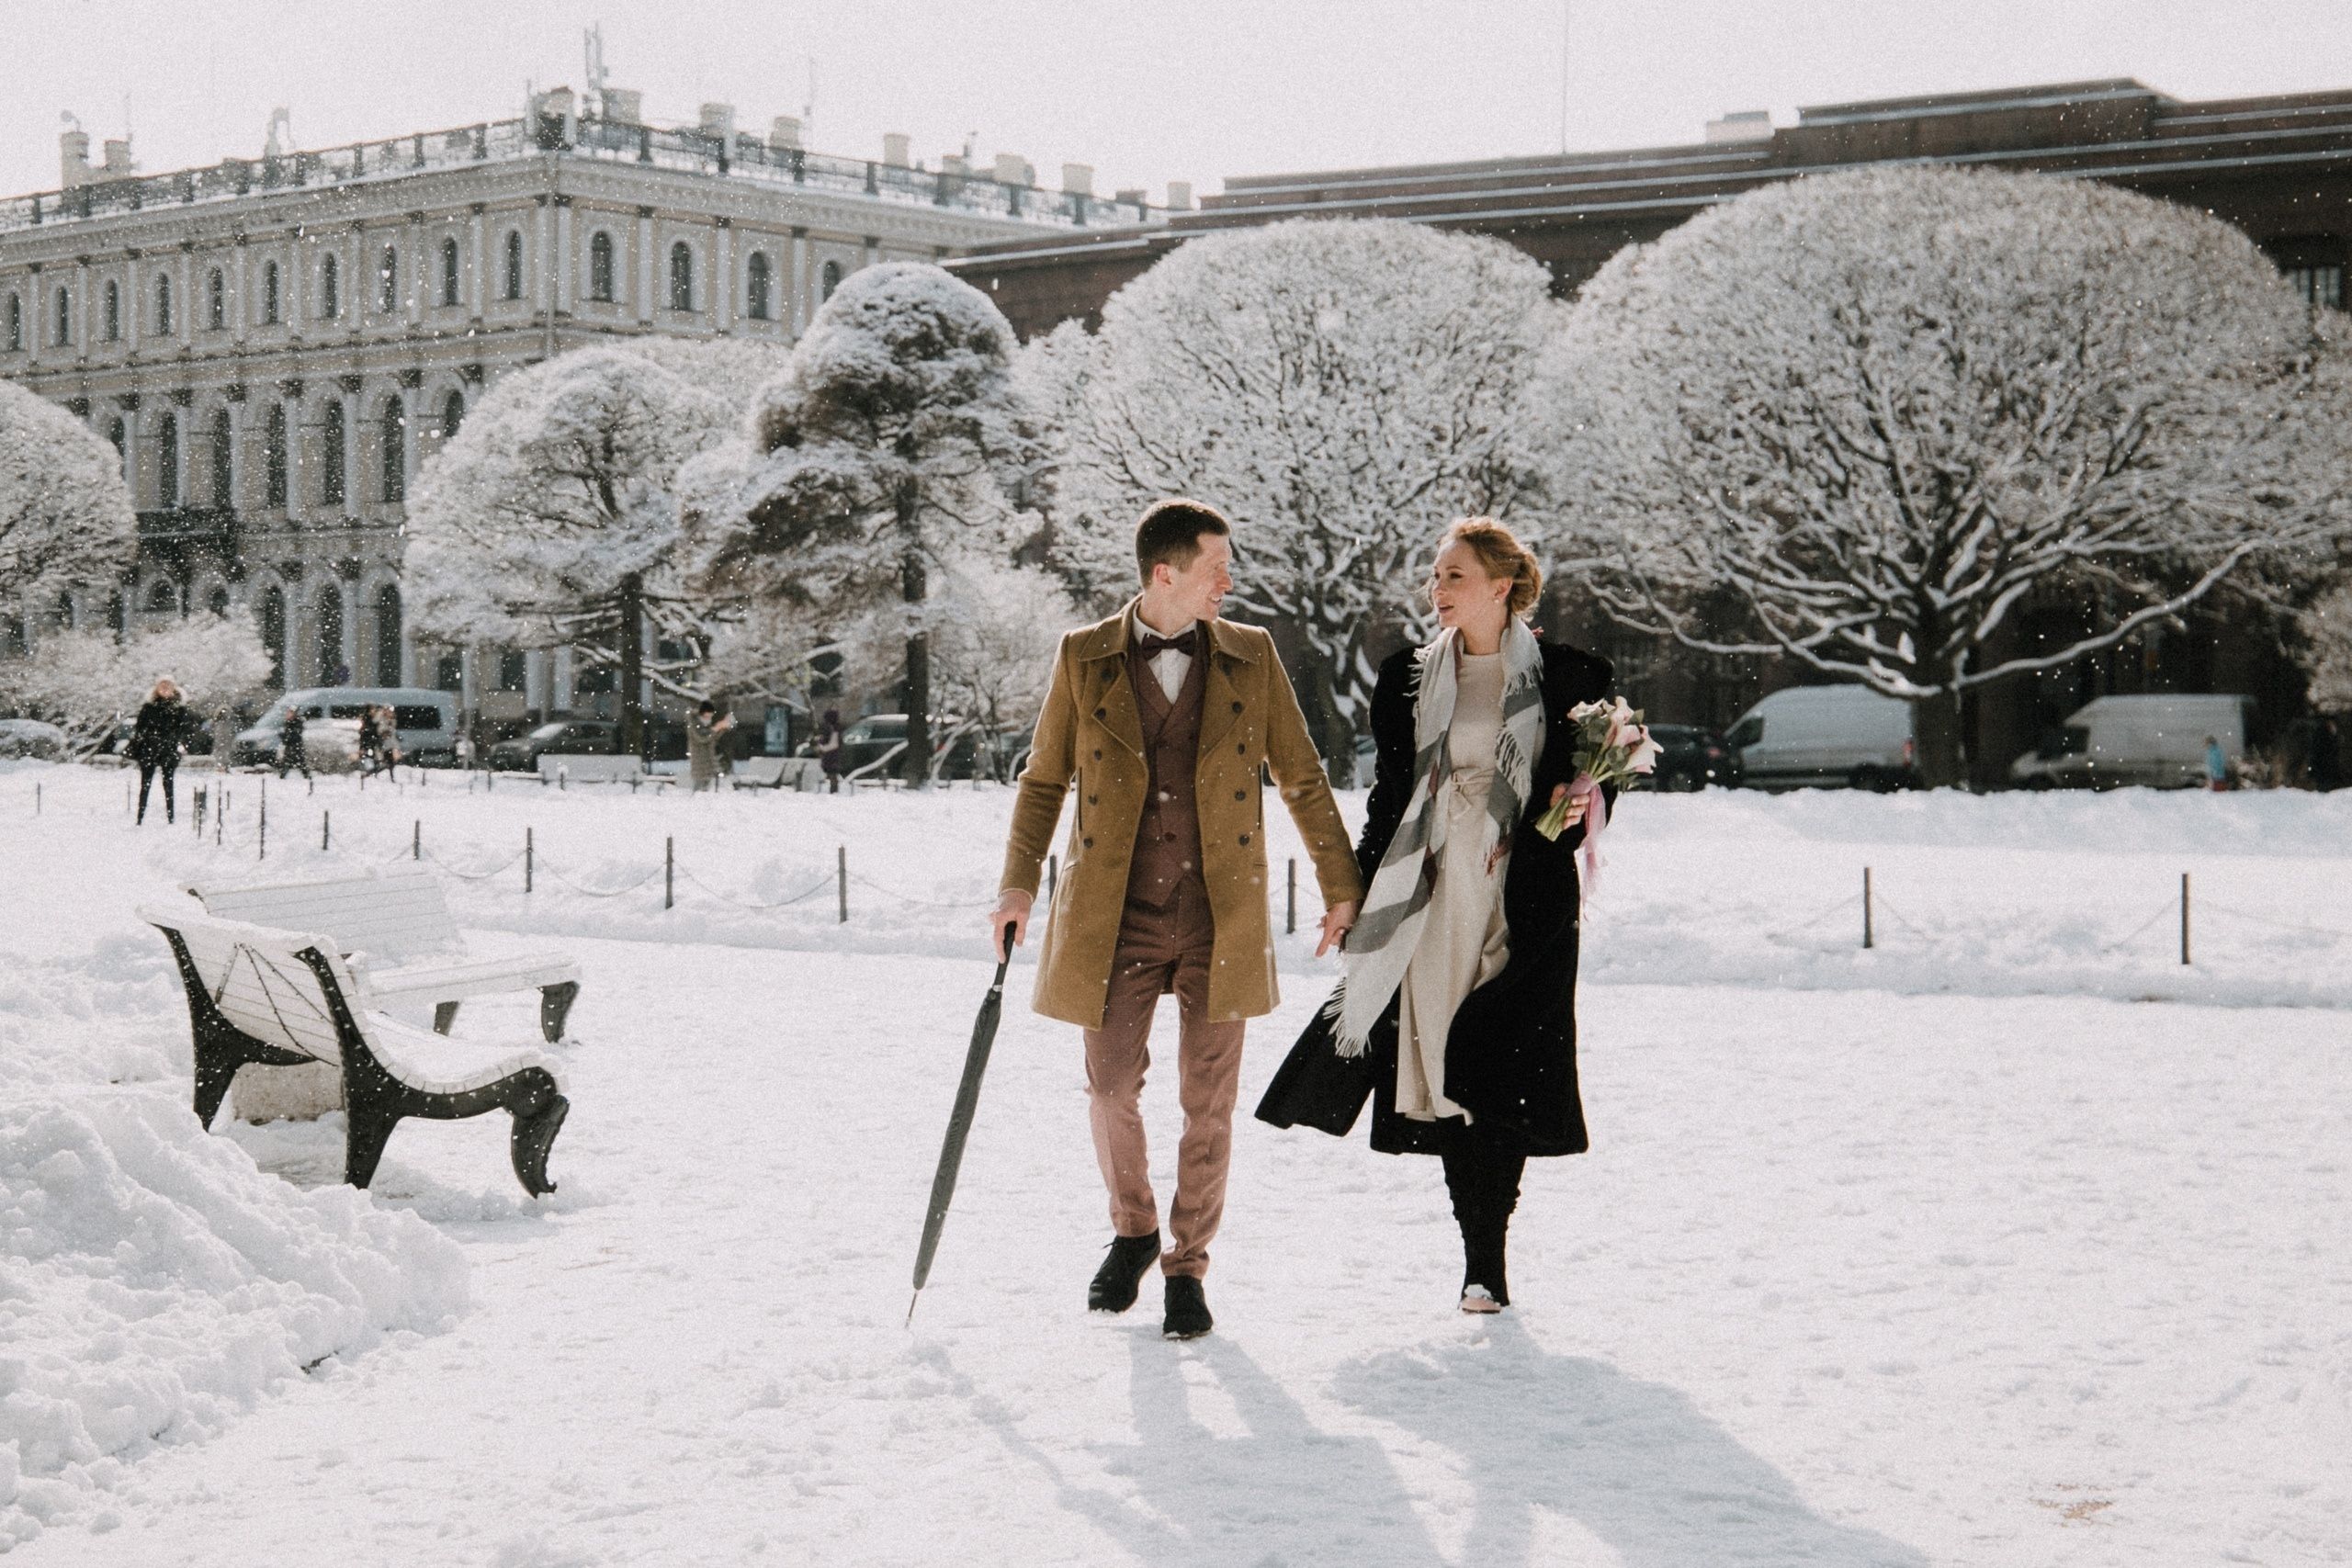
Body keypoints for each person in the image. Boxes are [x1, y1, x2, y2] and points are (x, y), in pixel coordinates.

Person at [989, 498, 1365, 1341]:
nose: (1228, 581)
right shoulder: (1083, 657)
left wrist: (1341, 887)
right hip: (1112, 916)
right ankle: (1133, 1228)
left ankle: (1188, 1266)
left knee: (1210, 1102)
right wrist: (1018, 885)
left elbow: (1302, 778)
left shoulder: (1252, 655)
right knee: (1112, 1085)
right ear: (1165, 574)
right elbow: (1044, 780)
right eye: (1214, 568)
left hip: (1217, 916)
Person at [1258, 518, 1615, 1314]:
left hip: (1522, 900)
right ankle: (1477, 1259)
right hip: (1426, 892)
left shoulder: (1572, 675)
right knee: (1452, 1072)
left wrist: (1577, 801)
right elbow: (1390, 794)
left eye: (1454, 575)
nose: (1437, 588)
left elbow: (1600, 782)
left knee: (1505, 1063)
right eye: (1435, 574)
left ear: (1501, 584)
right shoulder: (1408, 678)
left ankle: (1491, 1248)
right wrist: (1352, 893)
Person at [129, 678, 193, 825]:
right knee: (145, 785)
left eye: (168, 686)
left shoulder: (179, 709)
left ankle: (171, 818)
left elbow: (184, 730)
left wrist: (173, 741)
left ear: (173, 689)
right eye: (162, 686)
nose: (164, 689)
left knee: (168, 785)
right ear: (156, 689)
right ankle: (140, 818)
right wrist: (148, 739)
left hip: (168, 751)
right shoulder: (148, 707)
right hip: (149, 751)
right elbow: (140, 728)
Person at [687, 700, 735, 792]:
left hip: (708, 759)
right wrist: (716, 728)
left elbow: (711, 738)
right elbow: (702, 737)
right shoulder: (694, 722)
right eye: (708, 714)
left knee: (706, 788)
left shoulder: (703, 722)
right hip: (699, 759)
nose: (709, 717)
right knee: (699, 787)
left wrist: (721, 729)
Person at [277, 704, 311, 780]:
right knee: (290, 763)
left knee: (298, 763)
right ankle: (282, 777)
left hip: (295, 747)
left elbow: (294, 735)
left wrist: (285, 738)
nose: (287, 715)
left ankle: (306, 777)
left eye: (290, 713)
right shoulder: (289, 723)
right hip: (291, 747)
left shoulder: (296, 723)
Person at [817, 708, 845, 794]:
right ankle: (833, 791)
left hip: (831, 755)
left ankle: (833, 791)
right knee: (832, 774)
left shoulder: (833, 728)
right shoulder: (835, 727)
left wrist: (822, 747)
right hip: (833, 755)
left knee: (832, 774)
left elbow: (834, 744)